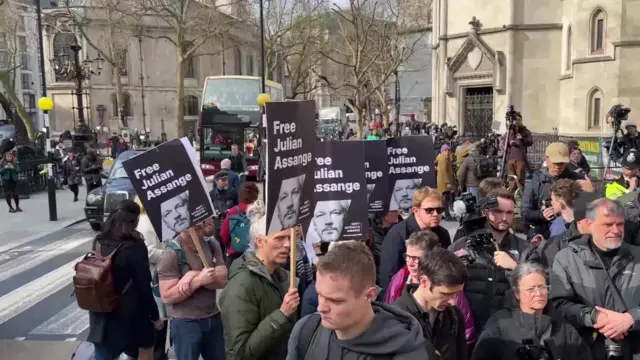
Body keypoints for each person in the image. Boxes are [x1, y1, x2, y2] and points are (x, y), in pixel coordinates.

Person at [287, 241, 433, 359]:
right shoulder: (306, 330)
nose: (321, 308)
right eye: (319, 294)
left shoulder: (408, 351)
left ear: (369, 295)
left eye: (335, 300)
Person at [550, 198, 640, 359]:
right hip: (585, 350)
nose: (616, 230)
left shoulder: (637, 257)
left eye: (620, 224)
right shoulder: (566, 260)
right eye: (608, 224)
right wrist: (595, 317)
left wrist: (631, 318)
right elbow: (559, 305)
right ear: (589, 224)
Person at [221, 200, 299, 360]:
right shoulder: (242, 285)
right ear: (260, 242)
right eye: (279, 238)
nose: (287, 244)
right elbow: (239, 354)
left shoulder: (282, 276)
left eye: (289, 238)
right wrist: (282, 315)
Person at [87, 200, 162, 360]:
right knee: (145, 349)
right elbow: (144, 287)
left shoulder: (99, 241)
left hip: (103, 315)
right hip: (132, 315)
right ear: (134, 221)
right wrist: (155, 317)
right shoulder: (135, 246)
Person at [472, 262, 592, 360]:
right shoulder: (499, 324)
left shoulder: (562, 325)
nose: (538, 294)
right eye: (531, 289)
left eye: (542, 287)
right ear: (517, 293)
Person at [450, 188, 531, 333]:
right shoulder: (461, 244)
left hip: (509, 326)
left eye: (509, 213)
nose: (505, 218)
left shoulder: (525, 248)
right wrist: (454, 268)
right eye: (499, 212)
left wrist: (515, 267)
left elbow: (537, 285)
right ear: (486, 213)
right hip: (469, 324)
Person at [157, 221, 227, 360]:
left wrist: (192, 275)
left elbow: (223, 279)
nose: (199, 224)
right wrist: (198, 281)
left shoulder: (212, 244)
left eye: (200, 219)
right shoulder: (171, 253)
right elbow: (167, 296)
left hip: (212, 317)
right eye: (192, 222)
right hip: (185, 323)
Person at [394, 248, 471, 360]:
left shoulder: (454, 316)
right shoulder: (396, 319)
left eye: (457, 293)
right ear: (424, 281)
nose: (453, 302)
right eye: (446, 294)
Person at [380, 186, 452, 291]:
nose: (436, 214)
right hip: (403, 294)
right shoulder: (397, 234)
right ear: (416, 211)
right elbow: (388, 276)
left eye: (439, 210)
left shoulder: (443, 234)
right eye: (429, 210)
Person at [522, 142, 591, 240]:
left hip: (572, 231)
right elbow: (525, 213)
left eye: (561, 163)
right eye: (555, 163)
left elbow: (591, 209)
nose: (558, 167)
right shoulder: (535, 180)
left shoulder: (576, 179)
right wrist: (541, 214)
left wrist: (590, 192)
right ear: (546, 158)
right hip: (542, 231)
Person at [525, 189, 598, 268]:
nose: (551, 203)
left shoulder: (558, 227)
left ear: (561, 203)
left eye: (552, 200)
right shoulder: (559, 228)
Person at [134, 197, 167, 360]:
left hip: (158, 276)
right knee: (159, 320)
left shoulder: (153, 220)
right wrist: (170, 254)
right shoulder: (147, 223)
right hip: (155, 276)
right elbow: (149, 251)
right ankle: (158, 354)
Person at [384, 230, 442, 304]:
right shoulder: (399, 279)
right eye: (408, 256)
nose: (410, 263)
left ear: (431, 257)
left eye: (416, 258)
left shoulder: (443, 282)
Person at [220, 182, 260, 265]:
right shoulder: (259, 211)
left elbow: (223, 233)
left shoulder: (233, 211)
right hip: (255, 253)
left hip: (236, 253)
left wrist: (231, 246)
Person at [370, 211, 401, 286]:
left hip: (396, 280)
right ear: (385, 216)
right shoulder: (371, 233)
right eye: (394, 211)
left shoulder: (400, 229)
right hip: (378, 282)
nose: (398, 212)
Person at [209, 170, 239, 240]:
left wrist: (232, 211)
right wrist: (212, 214)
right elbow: (207, 210)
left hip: (230, 225)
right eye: (223, 180)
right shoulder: (211, 194)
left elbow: (239, 207)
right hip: (217, 226)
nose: (226, 182)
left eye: (227, 179)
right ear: (216, 181)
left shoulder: (233, 192)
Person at [436, 144, 455, 220]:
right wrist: (448, 182)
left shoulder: (443, 158)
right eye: (448, 150)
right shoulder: (443, 159)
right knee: (445, 199)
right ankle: (447, 215)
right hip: (444, 182)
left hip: (443, 181)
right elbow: (445, 171)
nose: (449, 152)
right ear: (444, 150)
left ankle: (445, 214)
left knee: (445, 199)